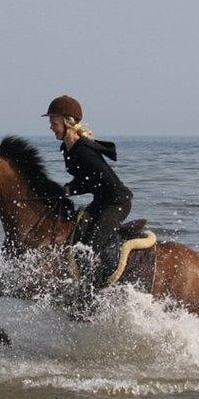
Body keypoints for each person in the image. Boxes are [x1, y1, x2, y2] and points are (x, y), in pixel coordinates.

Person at [43, 95, 133, 313]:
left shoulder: (83, 149)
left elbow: (100, 181)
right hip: (101, 201)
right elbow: (86, 179)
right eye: (50, 124)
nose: (51, 128)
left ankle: (90, 300)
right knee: (74, 236)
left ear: (67, 122)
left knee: (87, 248)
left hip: (116, 202)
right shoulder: (68, 148)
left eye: (53, 123)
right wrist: (66, 189)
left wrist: (70, 189)